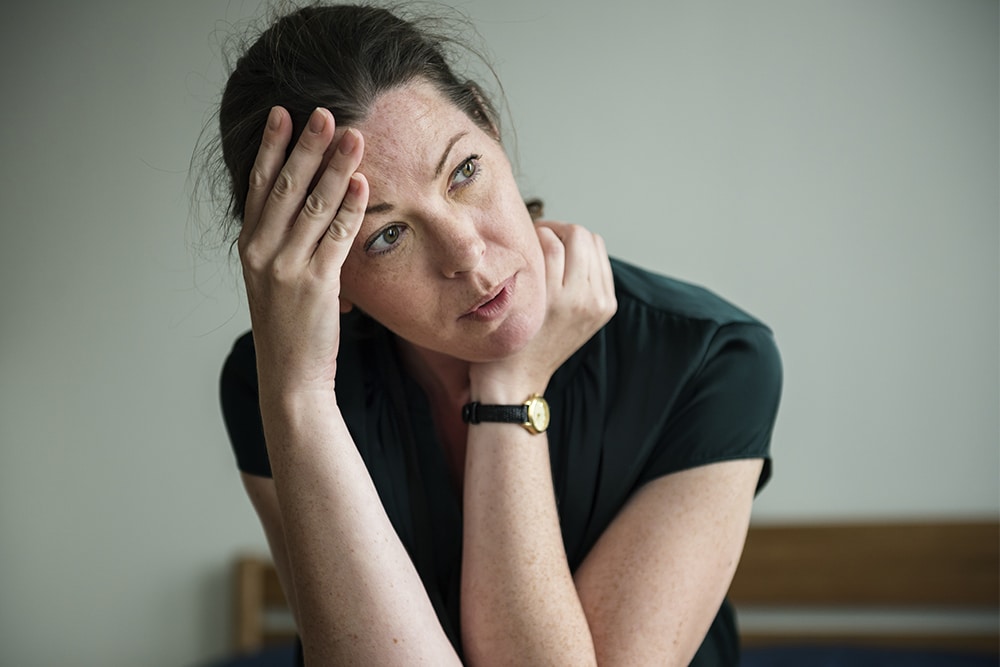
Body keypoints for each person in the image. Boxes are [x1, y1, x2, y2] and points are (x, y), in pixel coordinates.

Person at [210, 3, 782, 665]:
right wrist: (301, 398)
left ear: (488, 120)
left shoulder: (711, 359)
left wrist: (510, 392)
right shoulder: (273, 385)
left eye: (463, 172)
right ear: (320, 271)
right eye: (387, 235)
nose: (467, 256)